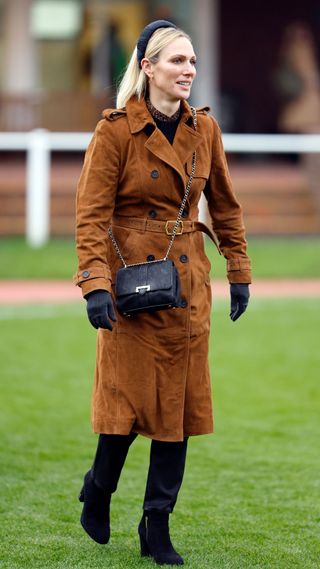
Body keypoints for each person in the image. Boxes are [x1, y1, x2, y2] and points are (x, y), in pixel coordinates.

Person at [74, 19, 251, 566]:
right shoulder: (114, 131)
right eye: (177, 61)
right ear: (147, 68)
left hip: (187, 285)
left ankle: (157, 524)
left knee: (179, 413)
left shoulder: (206, 129)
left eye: (193, 61)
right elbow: (90, 216)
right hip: (130, 289)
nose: (189, 71)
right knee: (124, 410)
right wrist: (94, 285)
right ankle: (99, 488)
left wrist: (238, 270)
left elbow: (224, 204)